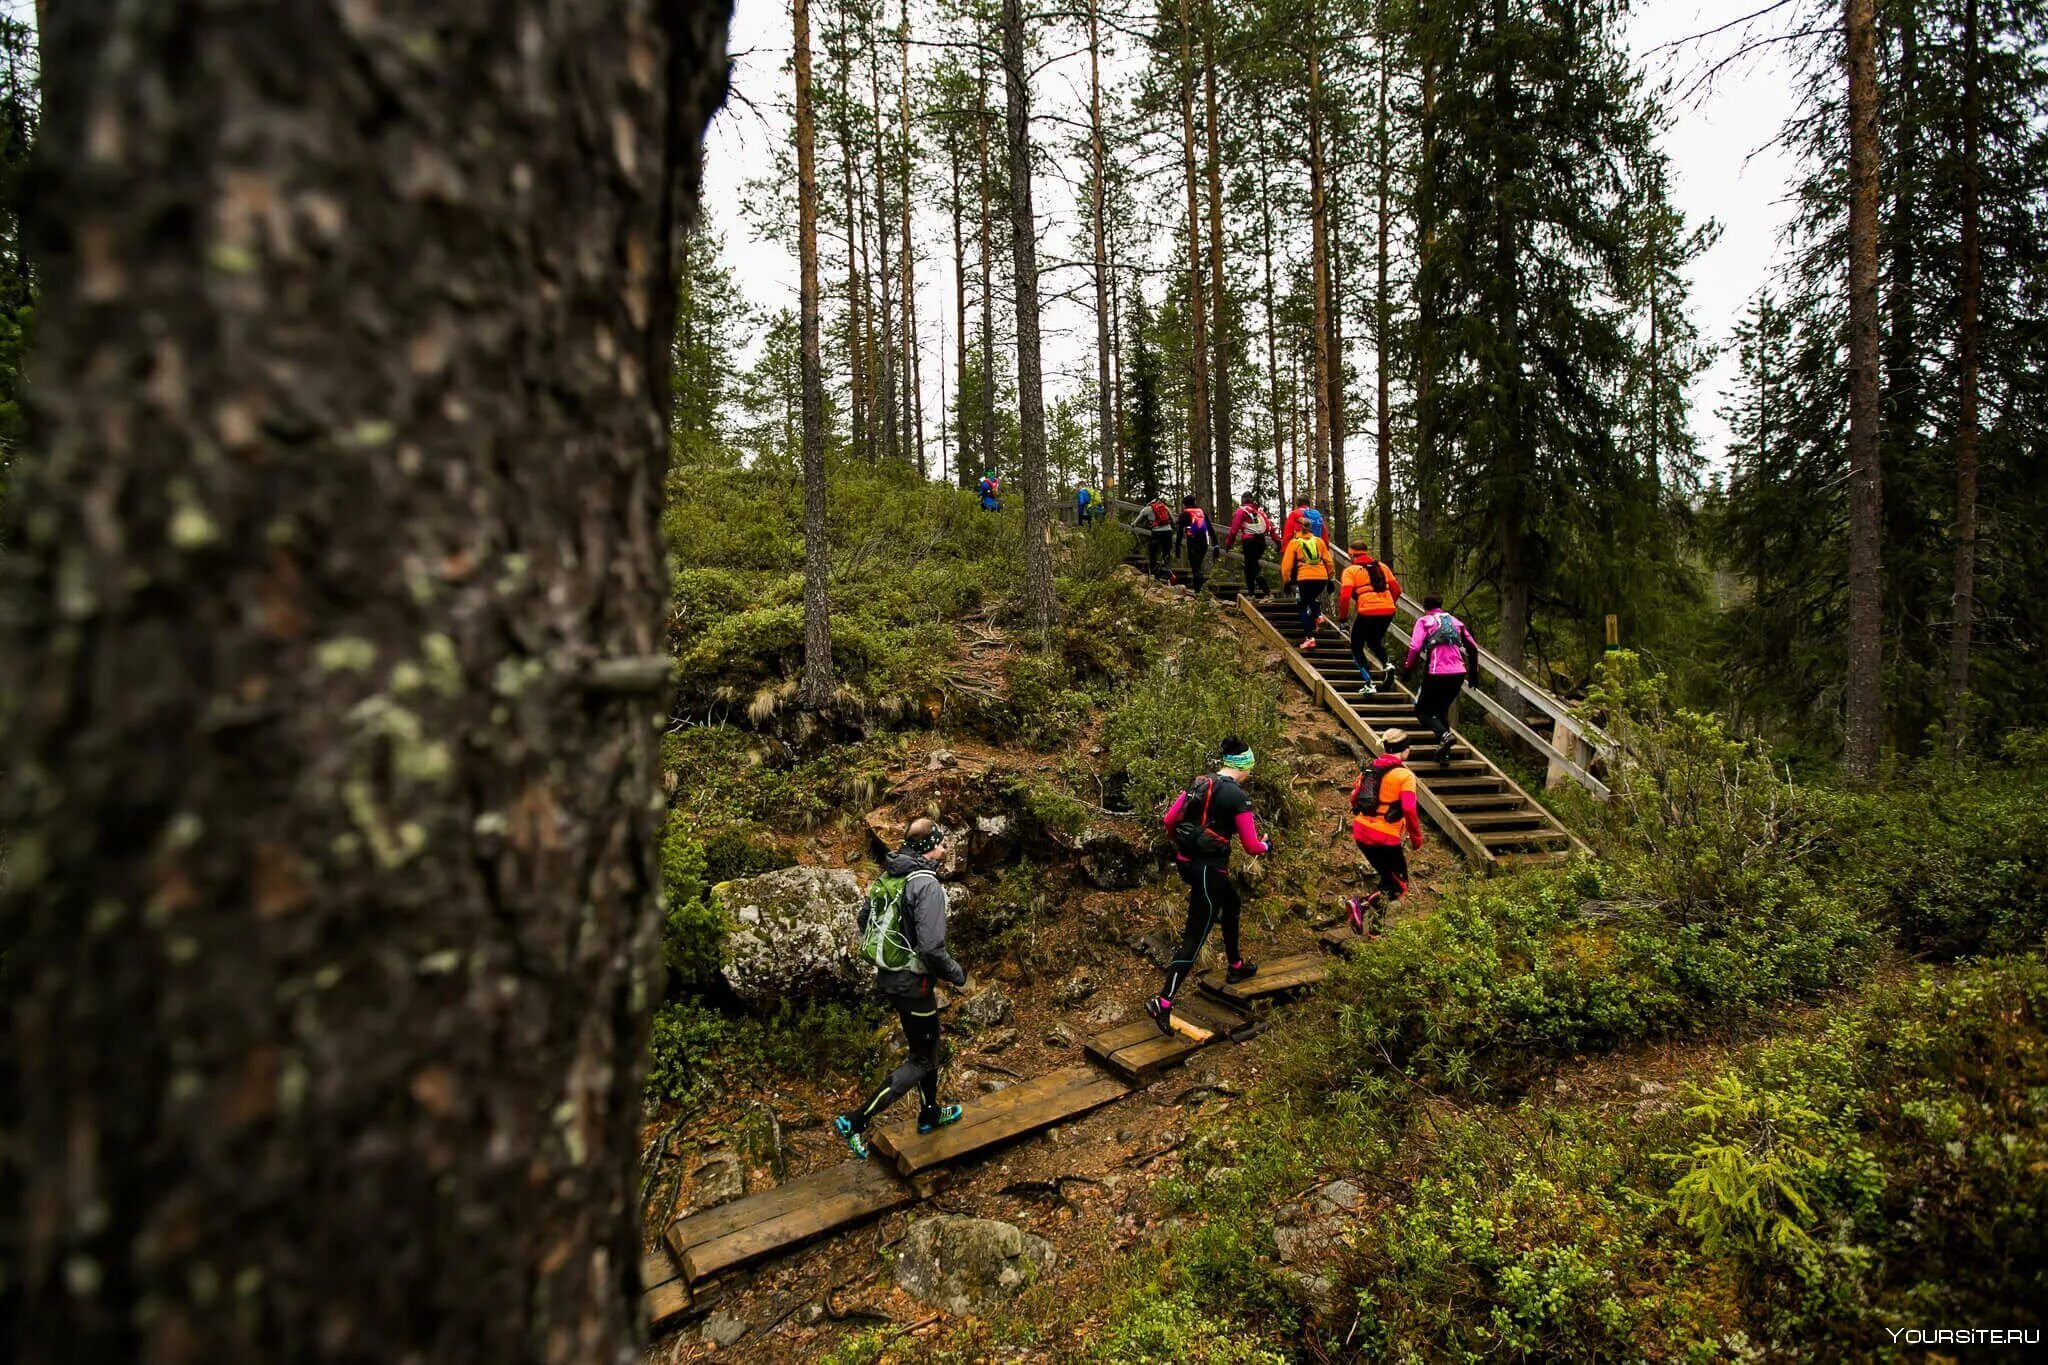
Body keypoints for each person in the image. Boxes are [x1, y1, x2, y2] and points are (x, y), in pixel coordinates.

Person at [835, 820, 968, 1158]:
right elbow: (932, 948)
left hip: (891, 978)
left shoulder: (890, 875)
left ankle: (929, 1113)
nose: (946, 849)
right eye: (942, 843)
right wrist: (957, 974)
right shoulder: (926, 885)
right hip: (914, 983)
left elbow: (865, 921)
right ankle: (856, 1120)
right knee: (922, 1058)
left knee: (928, 1048)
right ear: (931, 847)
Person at [1147, 737, 1268, 1036]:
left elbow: (1169, 819)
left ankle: (1236, 964)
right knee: (1194, 938)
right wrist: (1266, 846)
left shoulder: (1201, 782)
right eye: (1251, 765)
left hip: (1189, 863)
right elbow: (1252, 846)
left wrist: (1183, 847)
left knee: (1232, 901)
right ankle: (1163, 1001)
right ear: (1246, 765)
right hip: (1209, 870)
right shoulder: (1237, 797)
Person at [1345, 729, 1426, 937]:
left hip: (1362, 832)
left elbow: (1354, 797)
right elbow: (1409, 808)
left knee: (1386, 882)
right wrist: (1416, 837)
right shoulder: (1405, 775)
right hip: (1384, 837)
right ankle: (1360, 905)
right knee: (1399, 886)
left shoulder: (1370, 770)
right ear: (1404, 750)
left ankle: (1376, 933)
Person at [1403, 594, 1481, 768]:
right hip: (1458, 672)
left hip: (1436, 671)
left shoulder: (1424, 621)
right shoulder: (1455, 621)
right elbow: (1473, 647)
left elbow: (1415, 647)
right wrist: (1474, 674)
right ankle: (1444, 754)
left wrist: (1408, 668)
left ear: (1425, 606)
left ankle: (1444, 736)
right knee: (1441, 710)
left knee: (1422, 710)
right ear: (1441, 605)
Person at [1338, 547, 1402, 689]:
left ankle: (1368, 683)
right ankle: (1387, 664)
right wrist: (1388, 604)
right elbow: (1397, 590)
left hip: (1367, 610)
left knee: (1356, 646)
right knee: (1374, 642)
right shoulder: (1382, 567)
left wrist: (1343, 619)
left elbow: (1345, 596)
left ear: (1351, 555)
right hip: (1388, 609)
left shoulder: (1351, 571)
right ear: (1366, 552)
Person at [1278, 511, 1337, 650]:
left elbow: (1286, 565)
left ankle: (1309, 638)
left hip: (1305, 578)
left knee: (1302, 606)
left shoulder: (1295, 543)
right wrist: (1330, 578)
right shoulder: (1319, 541)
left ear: (1298, 529)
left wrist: (1286, 581)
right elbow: (1329, 562)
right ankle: (1319, 617)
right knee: (1311, 599)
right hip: (1321, 577)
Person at [1224, 490, 1275, 597]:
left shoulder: (1241, 510)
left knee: (1249, 567)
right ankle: (1256, 591)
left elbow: (1234, 529)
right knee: (1253, 564)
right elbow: (1270, 527)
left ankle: (1260, 592)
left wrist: (1228, 543)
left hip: (1249, 541)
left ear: (1242, 500)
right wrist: (1277, 541)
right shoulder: (1259, 511)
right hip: (1261, 541)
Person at [1175, 493, 1220, 593]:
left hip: (1192, 542)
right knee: (1197, 566)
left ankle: (1203, 584)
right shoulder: (1201, 512)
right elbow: (1210, 528)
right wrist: (1216, 544)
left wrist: (1177, 548)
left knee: (1195, 567)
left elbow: (1179, 533)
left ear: (1185, 504)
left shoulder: (1185, 514)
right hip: (1204, 542)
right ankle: (1198, 591)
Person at [1130, 496, 1176, 577]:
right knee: (1166, 551)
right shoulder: (1165, 507)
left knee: (1153, 552)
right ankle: (1167, 568)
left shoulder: (1147, 508)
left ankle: (1153, 571)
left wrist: (1133, 524)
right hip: (1168, 532)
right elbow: (1173, 520)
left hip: (1156, 532)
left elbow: (1137, 520)